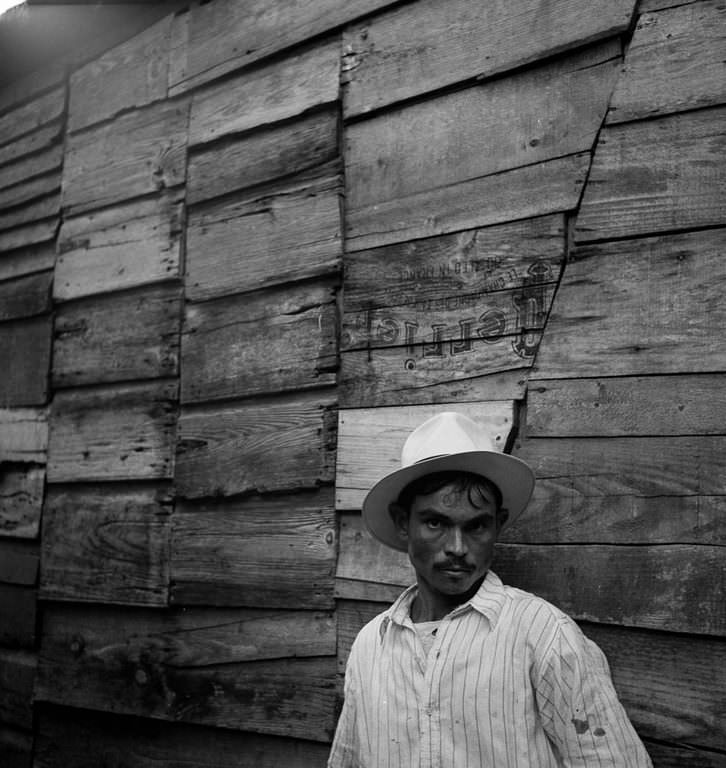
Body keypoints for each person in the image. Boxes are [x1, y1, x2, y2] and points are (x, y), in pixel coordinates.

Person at [328, 411, 652, 767]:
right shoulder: (370, 647)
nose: (457, 547)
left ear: (497, 526)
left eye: (476, 526)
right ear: (404, 522)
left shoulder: (543, 636)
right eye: (436, 522)